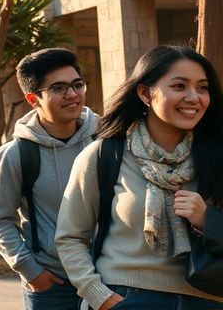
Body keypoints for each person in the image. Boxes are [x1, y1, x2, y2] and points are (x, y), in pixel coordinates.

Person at [55, 45, 223, 309]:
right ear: (145, 93)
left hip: (207, 298)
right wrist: (100, 297)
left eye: (202, 88)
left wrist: (207, 219)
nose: (194, 97)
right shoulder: (103, 155)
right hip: (129, 297)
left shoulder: (217, 157)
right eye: (179, 86)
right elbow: (70, 237)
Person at [0, 48, 97, 309]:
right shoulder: (15, 154)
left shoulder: (105, 140)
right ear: (32, 98)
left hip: (109, 277)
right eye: (58, 88)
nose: (72, 95)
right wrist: (31, 270)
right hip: (53, 286)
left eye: (77, 85)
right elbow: (0, 219)